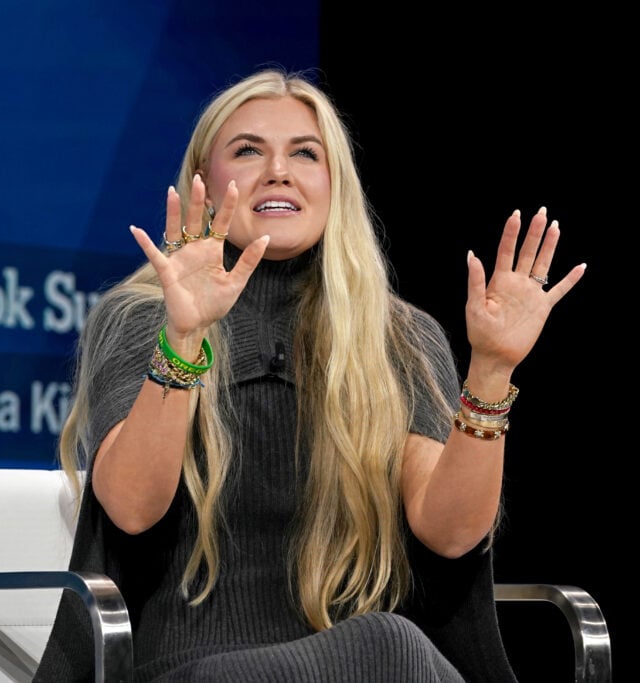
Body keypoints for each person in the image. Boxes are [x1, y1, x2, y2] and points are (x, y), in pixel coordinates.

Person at [34, 68, 585, 683]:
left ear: (334, 184)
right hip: (195, 668)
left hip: (370, 662)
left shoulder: (398, 336)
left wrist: (491, 369)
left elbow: (450, 534)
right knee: (389, 645)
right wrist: (185, 336)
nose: (279, 170)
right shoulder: (141, 316)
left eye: (305, 153)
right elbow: (132, 509)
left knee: (386, 645)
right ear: (205, 185)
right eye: (248, 150)